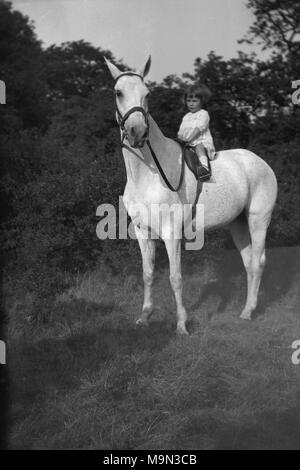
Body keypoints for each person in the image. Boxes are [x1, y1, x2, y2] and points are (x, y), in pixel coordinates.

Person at [177, 85, 215, 181]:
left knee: (199, 147)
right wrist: (180, 139)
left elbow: (199, 129)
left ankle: (204, 168)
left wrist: (188, 139)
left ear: (201, 102)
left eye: (194, 101)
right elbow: (181, 132)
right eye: (189, 101)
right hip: (187, 144)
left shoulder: (203, 114)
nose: (191, 104)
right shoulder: (186, 116)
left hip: (201, 142)